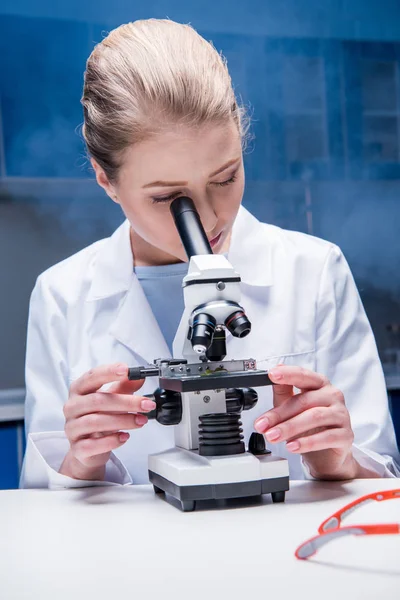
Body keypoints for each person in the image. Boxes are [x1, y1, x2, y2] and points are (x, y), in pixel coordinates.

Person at [20, 19, 399, 489]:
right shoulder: (62, 295)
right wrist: (80, 461)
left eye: (225, 178)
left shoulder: (315, 271)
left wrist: (336, 460)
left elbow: (380, 478)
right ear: (105, 179)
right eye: (167, 199)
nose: (208, 219)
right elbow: (37, 512)